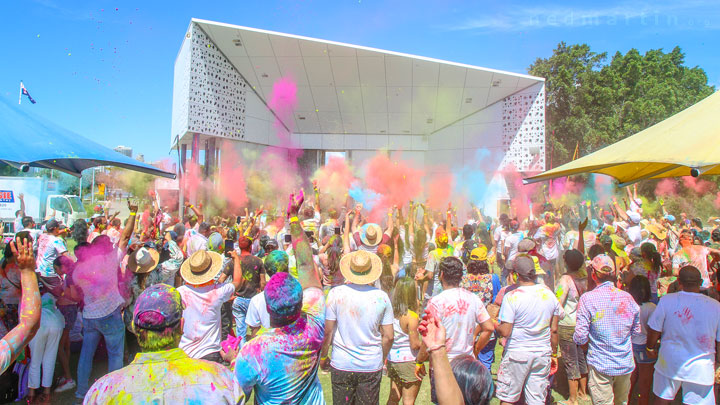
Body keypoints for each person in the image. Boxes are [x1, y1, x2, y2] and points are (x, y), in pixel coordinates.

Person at [231, 191, 327, 403]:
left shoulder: (253, 351)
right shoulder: (314, 326)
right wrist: (294, 217)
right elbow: (305, 264)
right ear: (302, 303)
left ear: (268, 307)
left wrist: (232, 361)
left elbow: (237, 397)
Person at [84, 284, 245, 404]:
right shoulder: (221, 379)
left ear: (134, 328)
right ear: (182, 326)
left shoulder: (102, 391)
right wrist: (232, 361)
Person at [73, 203, 138, 402]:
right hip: (109, 314)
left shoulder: (78, 270)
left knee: (86, 354)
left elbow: (77, 293)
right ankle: (113, 392)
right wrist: (133, 212)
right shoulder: (110, 260)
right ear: (105, 248)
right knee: (115, 354)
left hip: (90, 317)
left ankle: (81, 391)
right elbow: (125, 237)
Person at [321, 249, 394, 404]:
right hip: (370, 364)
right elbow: (389, 336)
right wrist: (381, 357)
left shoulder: (336, 293)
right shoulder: (381, 297)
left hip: (342, 363)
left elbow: (328, 331)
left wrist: (323, 355)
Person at [646, 266, 720, 405]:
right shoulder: (715, 306)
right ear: (700, 282)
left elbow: (654, 328)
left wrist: (650, 348)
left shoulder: (667, 300)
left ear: (679, 282)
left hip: (669, 362)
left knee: (662, 399)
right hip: (702, 367)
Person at [574, 254, 640, 405]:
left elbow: (580, 336)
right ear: (614, 274)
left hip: (600, 364)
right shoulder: (627, 297)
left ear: (593, 274)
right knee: (622, 402)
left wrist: (588, 345)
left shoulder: (587, 298)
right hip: (624, 363)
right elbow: (636, 332)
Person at [495, 255, 562, 405]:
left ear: (516, 275)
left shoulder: (512, 296)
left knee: (508, 398)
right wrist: (554, 353)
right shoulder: (548, 294)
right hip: (541, 354)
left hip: (517, 354)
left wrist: (495, 324)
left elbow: (505, 331)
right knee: (536, 399)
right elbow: (554, 329)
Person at [178, 248, 242, 362]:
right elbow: (237, 282)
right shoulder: (217, 291)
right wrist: (236, 259)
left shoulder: (179, 293)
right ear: (211, 270)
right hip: (210, 353)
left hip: (184, 353)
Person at [0, 238, 41, 374]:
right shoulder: (16, 269)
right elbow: (29, 325)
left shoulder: (1, 266)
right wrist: (28, 271)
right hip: (15, 307)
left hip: (5, 307)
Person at [555, 249, 588, 405]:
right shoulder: (584, 277)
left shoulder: (566, 280)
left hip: (567, 324)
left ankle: (572, 398)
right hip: (581, 323)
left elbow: (558, 302)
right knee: (581, 358)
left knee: (570, 360)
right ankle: (583, 392)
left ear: (566, 262)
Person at [386, 277, 423, 405]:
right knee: (408, 401)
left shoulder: (391, 312)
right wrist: (426, 344)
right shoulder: (411, 316)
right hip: (408, 362)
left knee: (393, 398)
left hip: (393, 360)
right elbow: (414, 344)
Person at [26, 286, 65, 403]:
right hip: (56, 322)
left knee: (35, 360)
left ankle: (32, 393)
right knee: (50, 358)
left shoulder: (27, 297)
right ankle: (46, 392)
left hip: (39, 324)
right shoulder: (51, 294)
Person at [228, 236, 265, 344]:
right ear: (250, 247)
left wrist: (228, 295)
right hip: (254, 300)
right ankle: (254, 351)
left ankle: (241, 353)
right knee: (255, 329)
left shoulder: (234, 262)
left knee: (240, 331)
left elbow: (221, 279)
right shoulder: (258, 261)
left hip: (238, 299)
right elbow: (262, 283)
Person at [627, 275, 656, 405]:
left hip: (630, 345)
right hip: (645, 346)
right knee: (645, 384)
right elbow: (653, 330)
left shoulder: (627, 305)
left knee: (629, 380)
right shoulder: (651, 307)